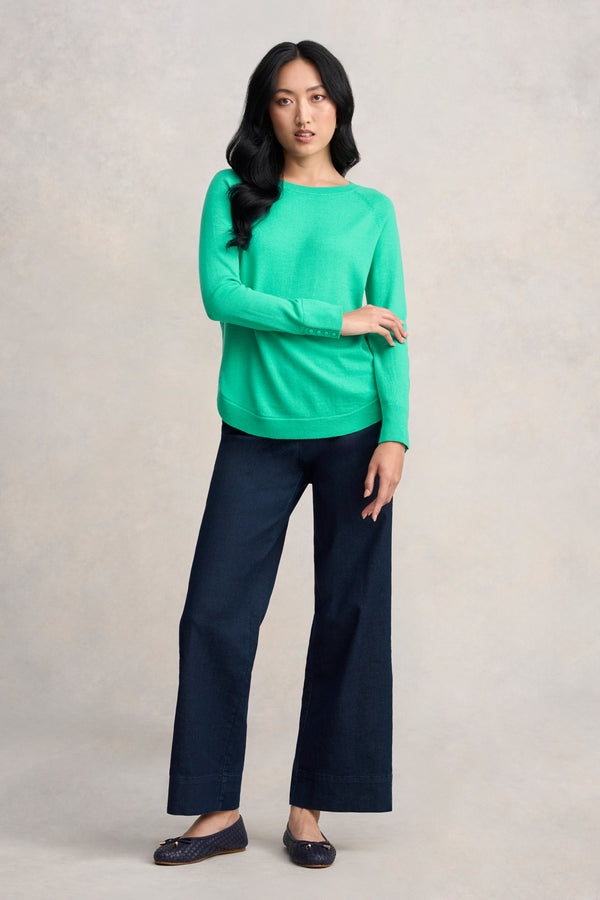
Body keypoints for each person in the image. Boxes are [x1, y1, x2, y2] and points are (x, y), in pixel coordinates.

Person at [153, 39, 410, 870]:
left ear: (339, 105)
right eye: (285, 98)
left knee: (349, 614)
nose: (303, 114)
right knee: (215, 612)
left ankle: (309, 810)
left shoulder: (372, 210)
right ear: (265, 110)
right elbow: (220, 296)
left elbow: (393, 329)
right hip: (257, 431)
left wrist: (397, 433)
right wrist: (335, 318)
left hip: (354, 432)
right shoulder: (233, 193)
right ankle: (218, 810)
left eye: (318, 96)